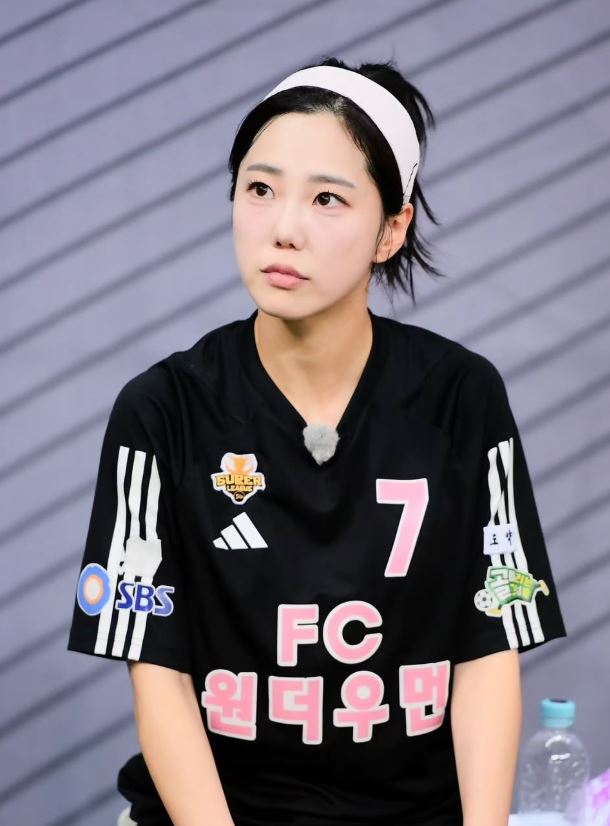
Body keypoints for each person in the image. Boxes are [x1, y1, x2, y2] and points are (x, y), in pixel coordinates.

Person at [66, 56, 568, 826]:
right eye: (260, 189)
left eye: (327, 198)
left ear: (392, 229)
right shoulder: (163, 410)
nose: (284, 229)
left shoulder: (461, 397)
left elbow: (488, 651)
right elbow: (158, 675)